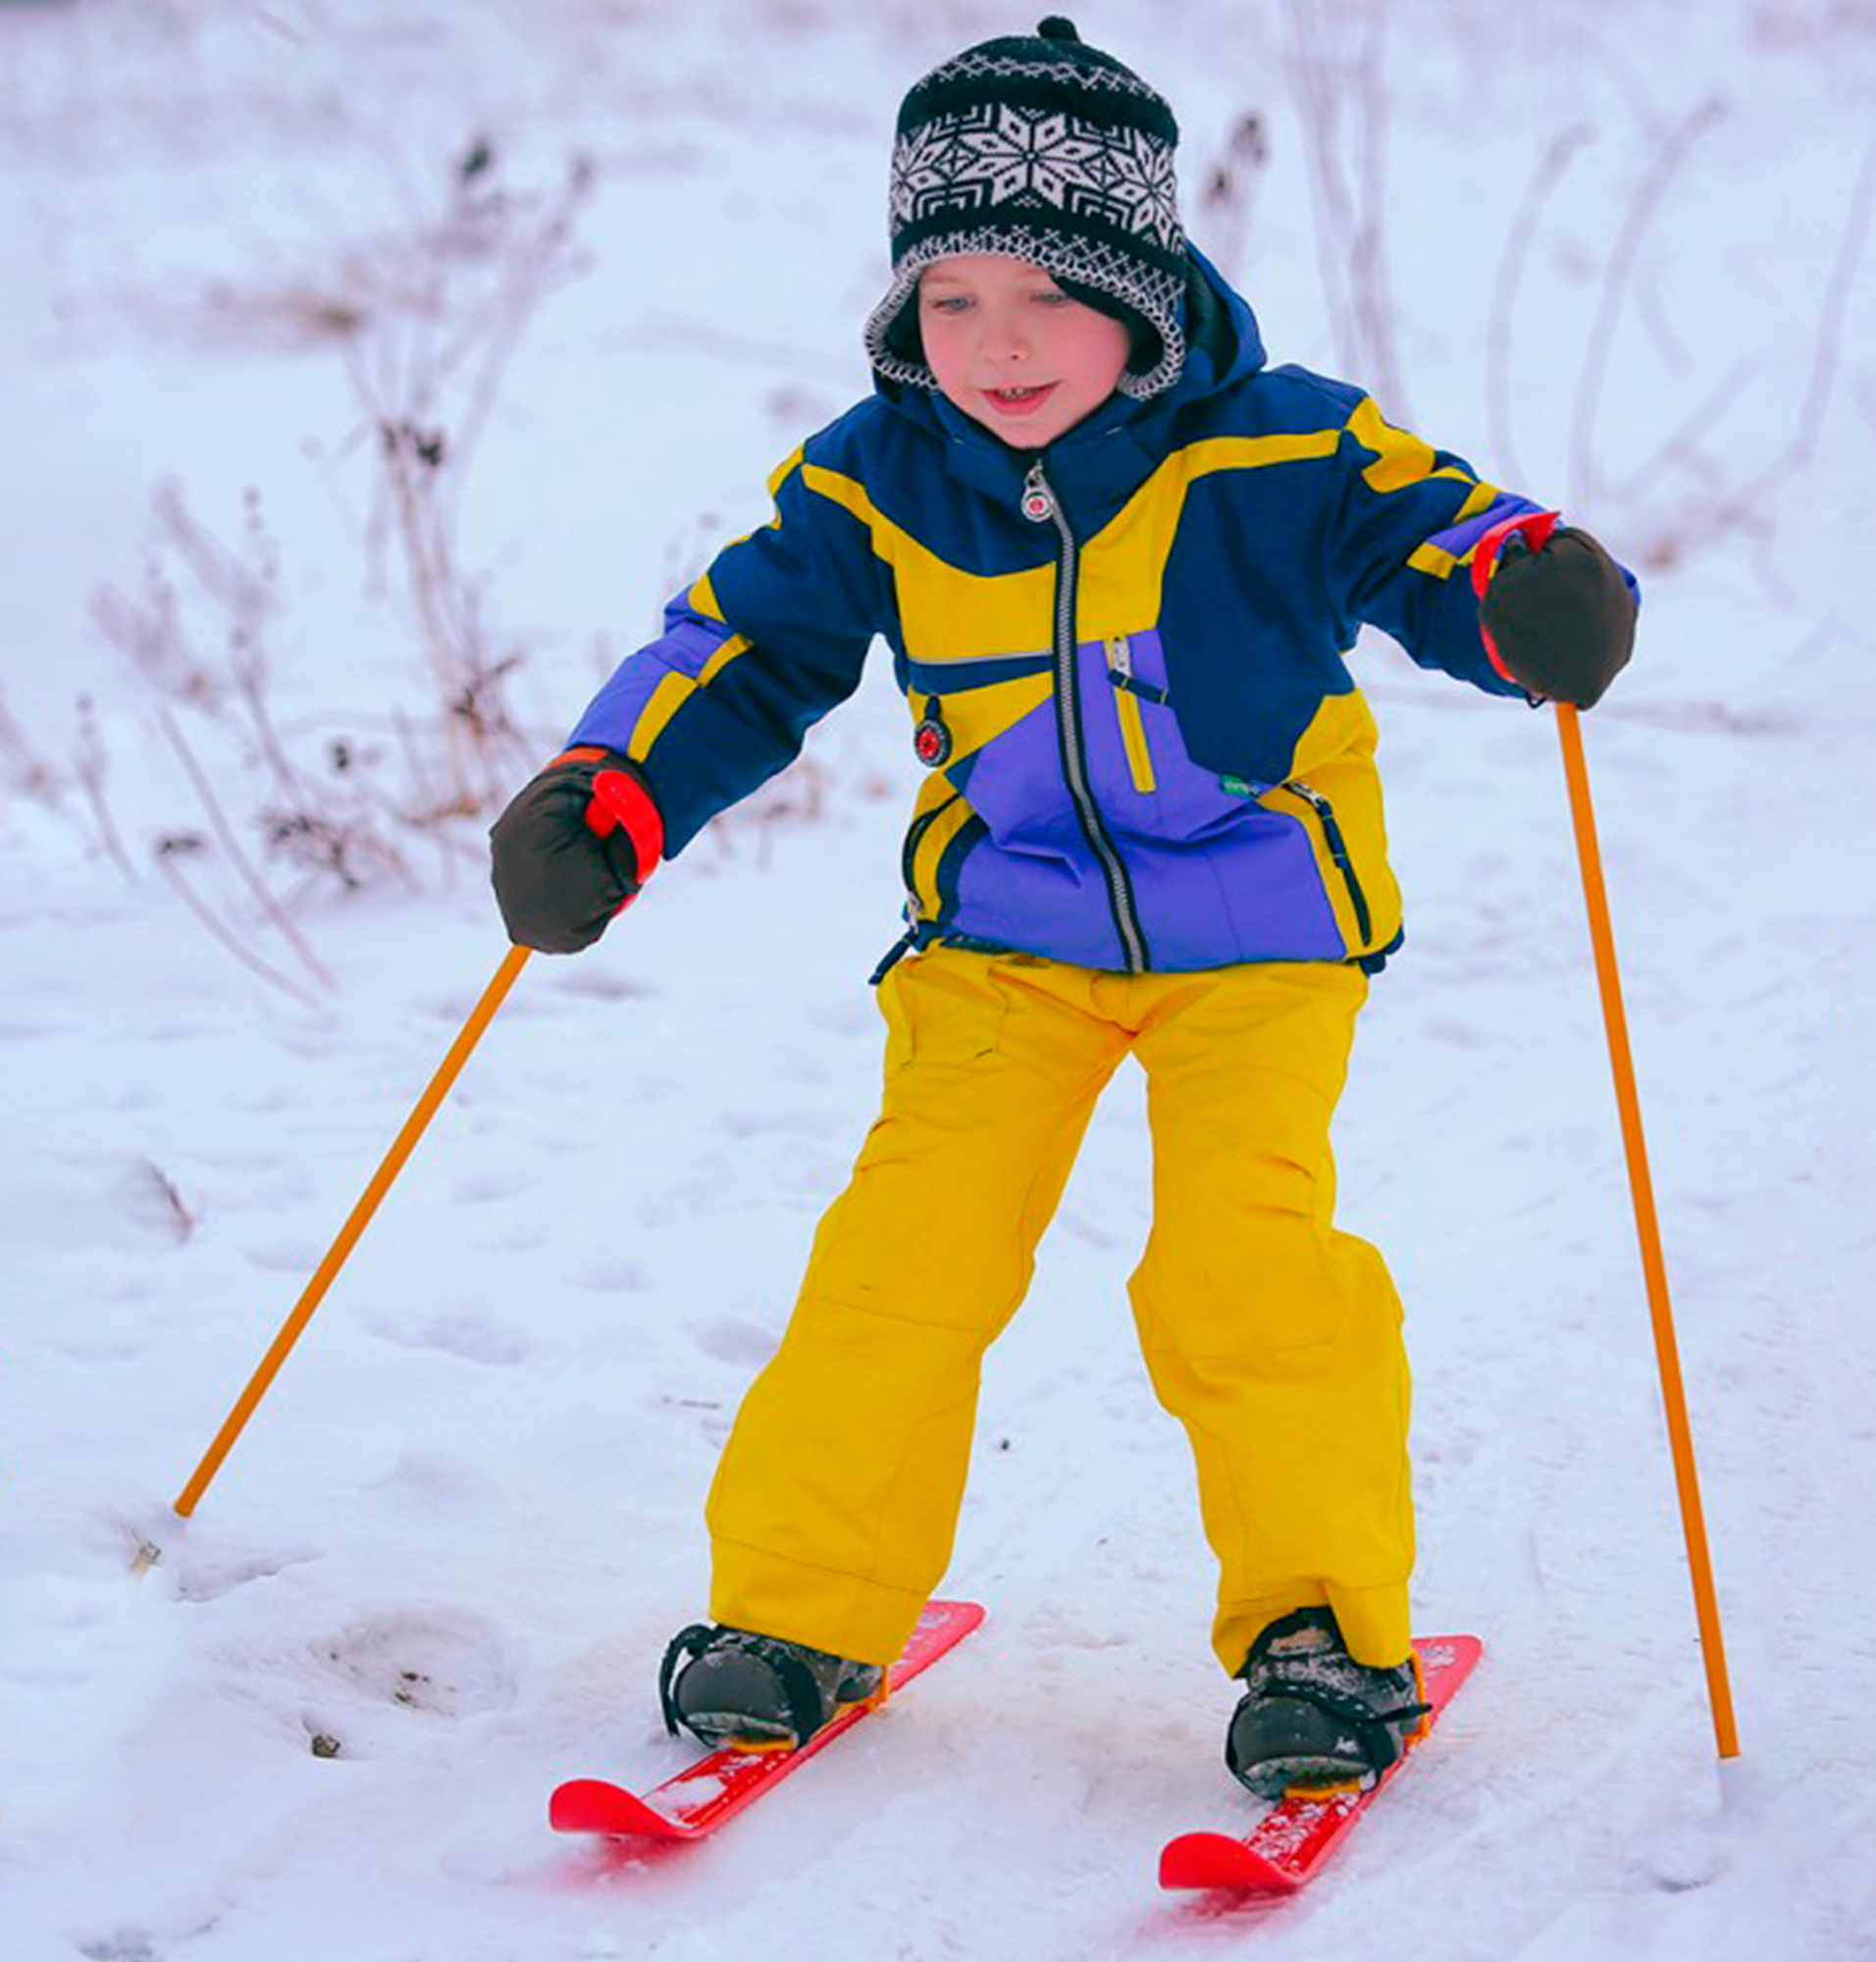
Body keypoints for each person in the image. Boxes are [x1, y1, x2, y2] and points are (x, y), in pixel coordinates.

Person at [489, 17, 1636, 1799]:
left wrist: (1523, 595)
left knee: (1239, 1268)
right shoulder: (878, 476)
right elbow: (738, 648)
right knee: (901, 1258)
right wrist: (612, 793)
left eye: (1046, 293)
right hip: (1007, 938)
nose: (998, 344)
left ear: (1145, 291)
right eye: (948, 297)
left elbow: (1440, 536)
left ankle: (1328, 1637)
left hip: (1261, 929)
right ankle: (803, 1609)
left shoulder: (1284, 451)